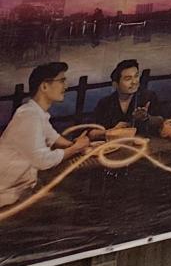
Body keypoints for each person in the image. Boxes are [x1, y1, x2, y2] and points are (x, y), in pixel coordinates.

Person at [0, 62, 94, 207]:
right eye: (62, 81)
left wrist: (76, 145)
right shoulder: (29, 116)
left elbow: (54, 137)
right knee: (68, 204)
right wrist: (75, 148)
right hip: (8, 195)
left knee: (70, 192)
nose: (66, 86)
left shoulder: (36, 113)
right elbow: (42, 161)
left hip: (21, 188)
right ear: (44, 86)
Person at [89, 60, 155, 135]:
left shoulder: (148, 96)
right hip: (114, 141)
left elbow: (161, 121)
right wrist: (112, 131)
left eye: (136, 76)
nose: (134, 82)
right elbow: (92, 132)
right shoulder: (105, 103)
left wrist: (146, 117)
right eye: (128, 79)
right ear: (115, 85)